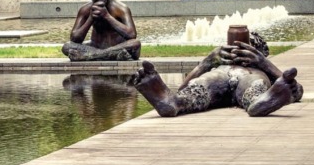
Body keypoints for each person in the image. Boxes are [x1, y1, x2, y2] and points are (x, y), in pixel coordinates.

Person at [130, 33, 303, 117]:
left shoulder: (261, 68)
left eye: (248, 48)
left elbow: (297, 89)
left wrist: (263, 63)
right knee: (197, 89)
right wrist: (207, 62)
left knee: (253, 88)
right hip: (219, 77)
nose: (238, 52)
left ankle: (263, 101)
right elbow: (182, 88)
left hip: (251, 76)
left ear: (261, 52)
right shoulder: (219, 65)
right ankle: (172, 103)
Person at [61, 0, 141, 61]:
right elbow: (75, 39)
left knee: (135, 43)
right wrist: (91, 18)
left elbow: (132, 35)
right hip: (95, 47)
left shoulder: (121, 8)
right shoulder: (85, 10)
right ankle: (109, 55)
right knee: (67, 46)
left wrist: (107, 16)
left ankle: (92, 56)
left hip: (118, 46)